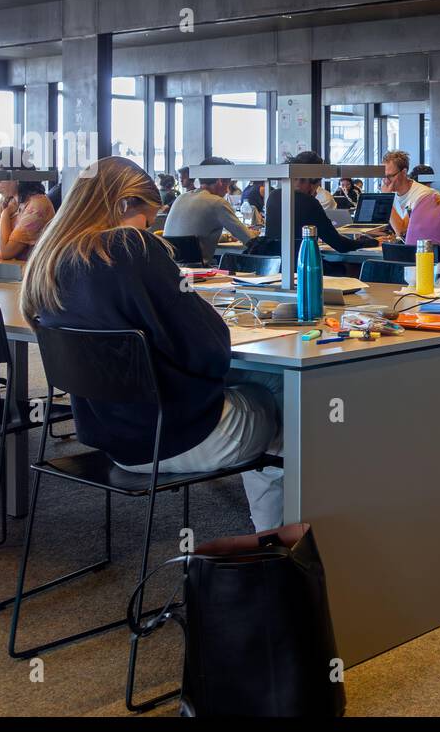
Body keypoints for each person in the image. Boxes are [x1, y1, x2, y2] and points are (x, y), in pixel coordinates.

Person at [19, 157, 285, 531]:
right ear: (124, 205)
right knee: (290, 396)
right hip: (176, 438)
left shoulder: (50, 260)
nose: (152, 232)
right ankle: (280, 546)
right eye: (148, 222)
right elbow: (211, 352)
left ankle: (279, 539)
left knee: (266, 380)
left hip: (114, 439)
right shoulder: (130, 247)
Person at [248, 151, 380, 259]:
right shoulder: (309, 202)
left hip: (275, 267)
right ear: (313, 179)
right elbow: (340, 245)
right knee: (351, 268)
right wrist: (369, 242)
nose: (318, 188)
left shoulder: (274, 196)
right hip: (303, 266)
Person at [162, 156, 257, 260]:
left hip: (171, 267)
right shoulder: (217, 203)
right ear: (220, 181)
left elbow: (195, 235)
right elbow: (250, 239)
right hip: (199, 272)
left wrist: (226, 237)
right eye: (228, 183)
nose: (227, 190)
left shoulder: (181, 197)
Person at [0, 177, 55, 261]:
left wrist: (5, 214)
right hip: (3, 268)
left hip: (25, 271)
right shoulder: (6, 200)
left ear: (17, 177)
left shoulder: (37, 205)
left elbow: (6, 253)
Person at [381, 150, 435, 239]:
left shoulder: (423, 195)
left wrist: (385, 199)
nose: (386, 181)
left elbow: (402, 231)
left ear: (404, 173)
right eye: (384, 176)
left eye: (390, 176)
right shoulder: (390, 193)